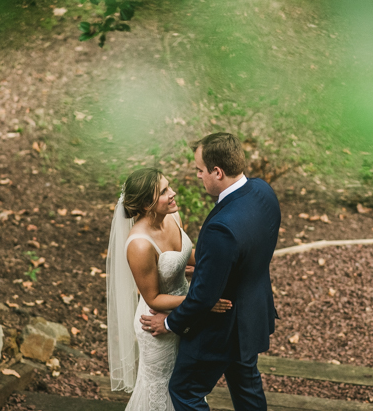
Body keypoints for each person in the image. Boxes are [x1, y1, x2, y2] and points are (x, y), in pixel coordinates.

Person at [141, 133, 281, 411]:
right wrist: (208, 266)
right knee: (247, 388)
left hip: (221, 328)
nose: (197, 176)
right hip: (252, 313)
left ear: (217, 172)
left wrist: (168, 323)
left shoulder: (221, 228)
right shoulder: (262, 191)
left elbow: (203, 298)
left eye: (200, 170)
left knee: (184, 391)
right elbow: (250, 250)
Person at [106, 167, 232, 411]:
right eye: (164, 191)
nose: (173, 193)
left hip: (184, 314)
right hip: (156, 323)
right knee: (161, 391)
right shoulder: (140, 245)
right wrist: (201, 300)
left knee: (185, 385)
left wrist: (222, 259)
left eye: (168, 186)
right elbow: (152, 298)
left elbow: (184, 255)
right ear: (145, 204)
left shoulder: (173, 216)